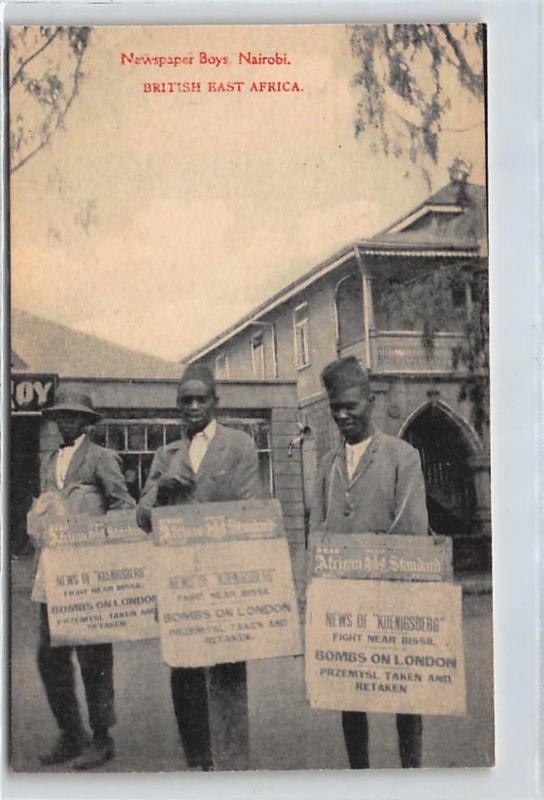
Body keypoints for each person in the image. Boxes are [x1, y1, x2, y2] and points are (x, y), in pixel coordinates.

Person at [137, 364, 258, 771]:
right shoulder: (166, 454)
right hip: (178, 578)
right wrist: (159, 489)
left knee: (227, 666)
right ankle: (198, 759)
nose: (192, 407)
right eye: (185, 401)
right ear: (177, 407)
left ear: (214, 402)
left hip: (224, 577)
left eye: (200, 399)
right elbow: (141, 518)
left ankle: (231, 757)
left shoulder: (239, 445)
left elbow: (249, 508)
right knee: (184, 668)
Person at [310, 356, 429, 769]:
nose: (342, 415)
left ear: (370, 401)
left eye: (351, 406)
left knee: (404, 692)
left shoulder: (402, 456)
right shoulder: (326, 464)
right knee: (350, 694)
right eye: (335, 408)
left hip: (393, 594)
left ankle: (409, 774)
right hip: (344, 599)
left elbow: (412, 527)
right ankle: (360, 777)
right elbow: (318, 530)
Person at [37, 390, 135, 770]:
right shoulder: (49, 460)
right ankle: (71, 733)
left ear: (87, 421)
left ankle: (101, 737)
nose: (66, 422)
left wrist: (96, 537)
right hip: (54, 571)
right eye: (61, 416)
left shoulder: (100, 457)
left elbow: (123, 506)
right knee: (49, 656)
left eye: (74, 416)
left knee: (93, 656)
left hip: (90, 570)